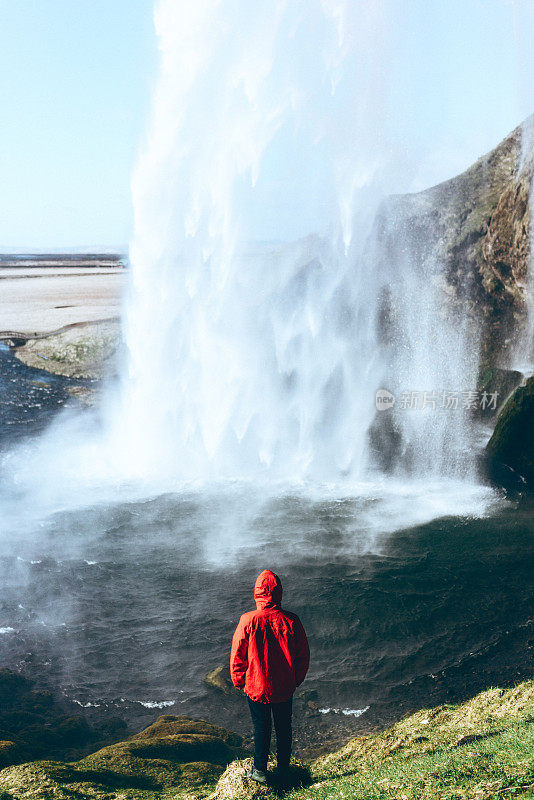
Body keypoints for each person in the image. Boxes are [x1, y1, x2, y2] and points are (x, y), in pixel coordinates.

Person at [230, 569, 310, 785]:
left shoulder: (247, 620)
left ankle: (260, 771)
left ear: (257, 593)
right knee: (284, 728)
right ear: (279, 592)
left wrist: (239, 681)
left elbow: (238, 654)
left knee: (261, 728)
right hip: (284, 686)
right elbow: (303, 656)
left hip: (256, 686)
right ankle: (284, 769)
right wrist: (295, 680)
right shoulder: (291, 620)